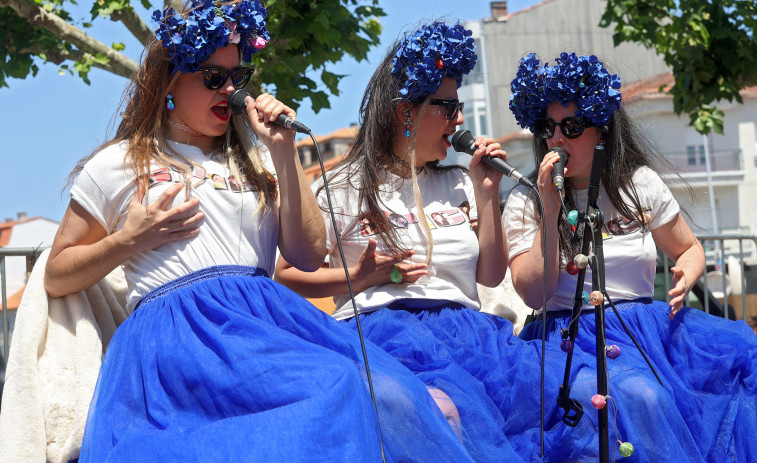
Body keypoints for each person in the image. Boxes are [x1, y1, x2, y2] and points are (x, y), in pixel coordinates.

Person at [43, 2, 477, 461]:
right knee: (328, 390)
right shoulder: (120, 162)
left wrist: (283, 152)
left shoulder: (262, 160)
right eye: (214, 77)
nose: (231, 90)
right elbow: (56, 273)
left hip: (264, 321)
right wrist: (128, 240)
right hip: (180, 339)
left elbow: (308, 254)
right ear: (171, 81)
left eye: (239, 78)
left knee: (389, 394)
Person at [275, 22, 572, 462]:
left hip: (470, 336)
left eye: (459, 106)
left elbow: (490, 275)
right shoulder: (342, 185)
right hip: (379, 332)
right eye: (448, 106)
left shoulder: (461, 182)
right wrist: (359, 276)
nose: (459, 120)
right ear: (405, 111)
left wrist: (487, 192)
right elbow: (287, 273)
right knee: (439, 409)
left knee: (549, 404)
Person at [505, 52, 757, 461]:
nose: (557, 139)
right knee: (629, 396)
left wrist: (687, 273)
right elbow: (534, 293)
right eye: (546, 127)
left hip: (643, 331)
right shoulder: (525, 199)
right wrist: (549, 208)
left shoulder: (639, 183)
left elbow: (689, 248)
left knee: (735, 365)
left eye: (571, 126)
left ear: (600, 129)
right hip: (564, 340)